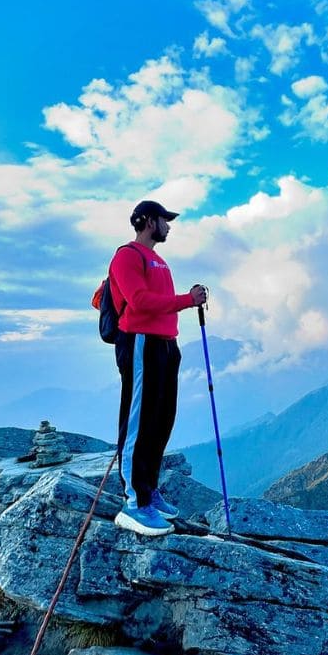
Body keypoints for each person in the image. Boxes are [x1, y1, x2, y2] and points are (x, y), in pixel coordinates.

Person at [105, 200, 209, 537]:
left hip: (165, 344)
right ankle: (134, 502)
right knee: (139, 418)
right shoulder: (127, 255)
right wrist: (186, 301)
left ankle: (148, 490)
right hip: (140, 343)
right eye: (165, 219)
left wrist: (184, 303)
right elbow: (139, 302)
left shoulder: (158, 260)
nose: (169, 225)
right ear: (148, 221)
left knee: (162, 418)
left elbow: (159, 304)